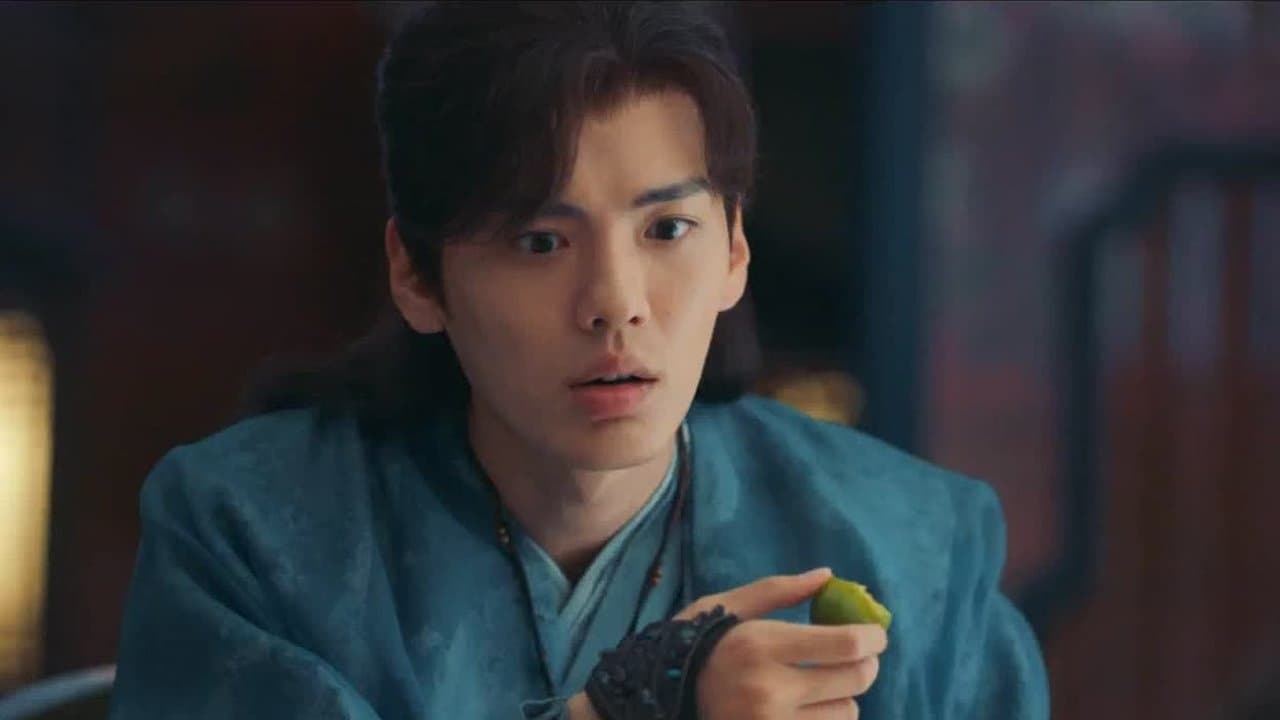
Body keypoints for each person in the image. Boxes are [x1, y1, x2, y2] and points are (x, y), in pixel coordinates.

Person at [108, 3, 1050, 719]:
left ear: (734, 251)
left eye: (667, 229)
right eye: (540, 242)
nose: (615, 302)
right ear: (417, 275)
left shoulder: (916, 552)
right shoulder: (253, 539)